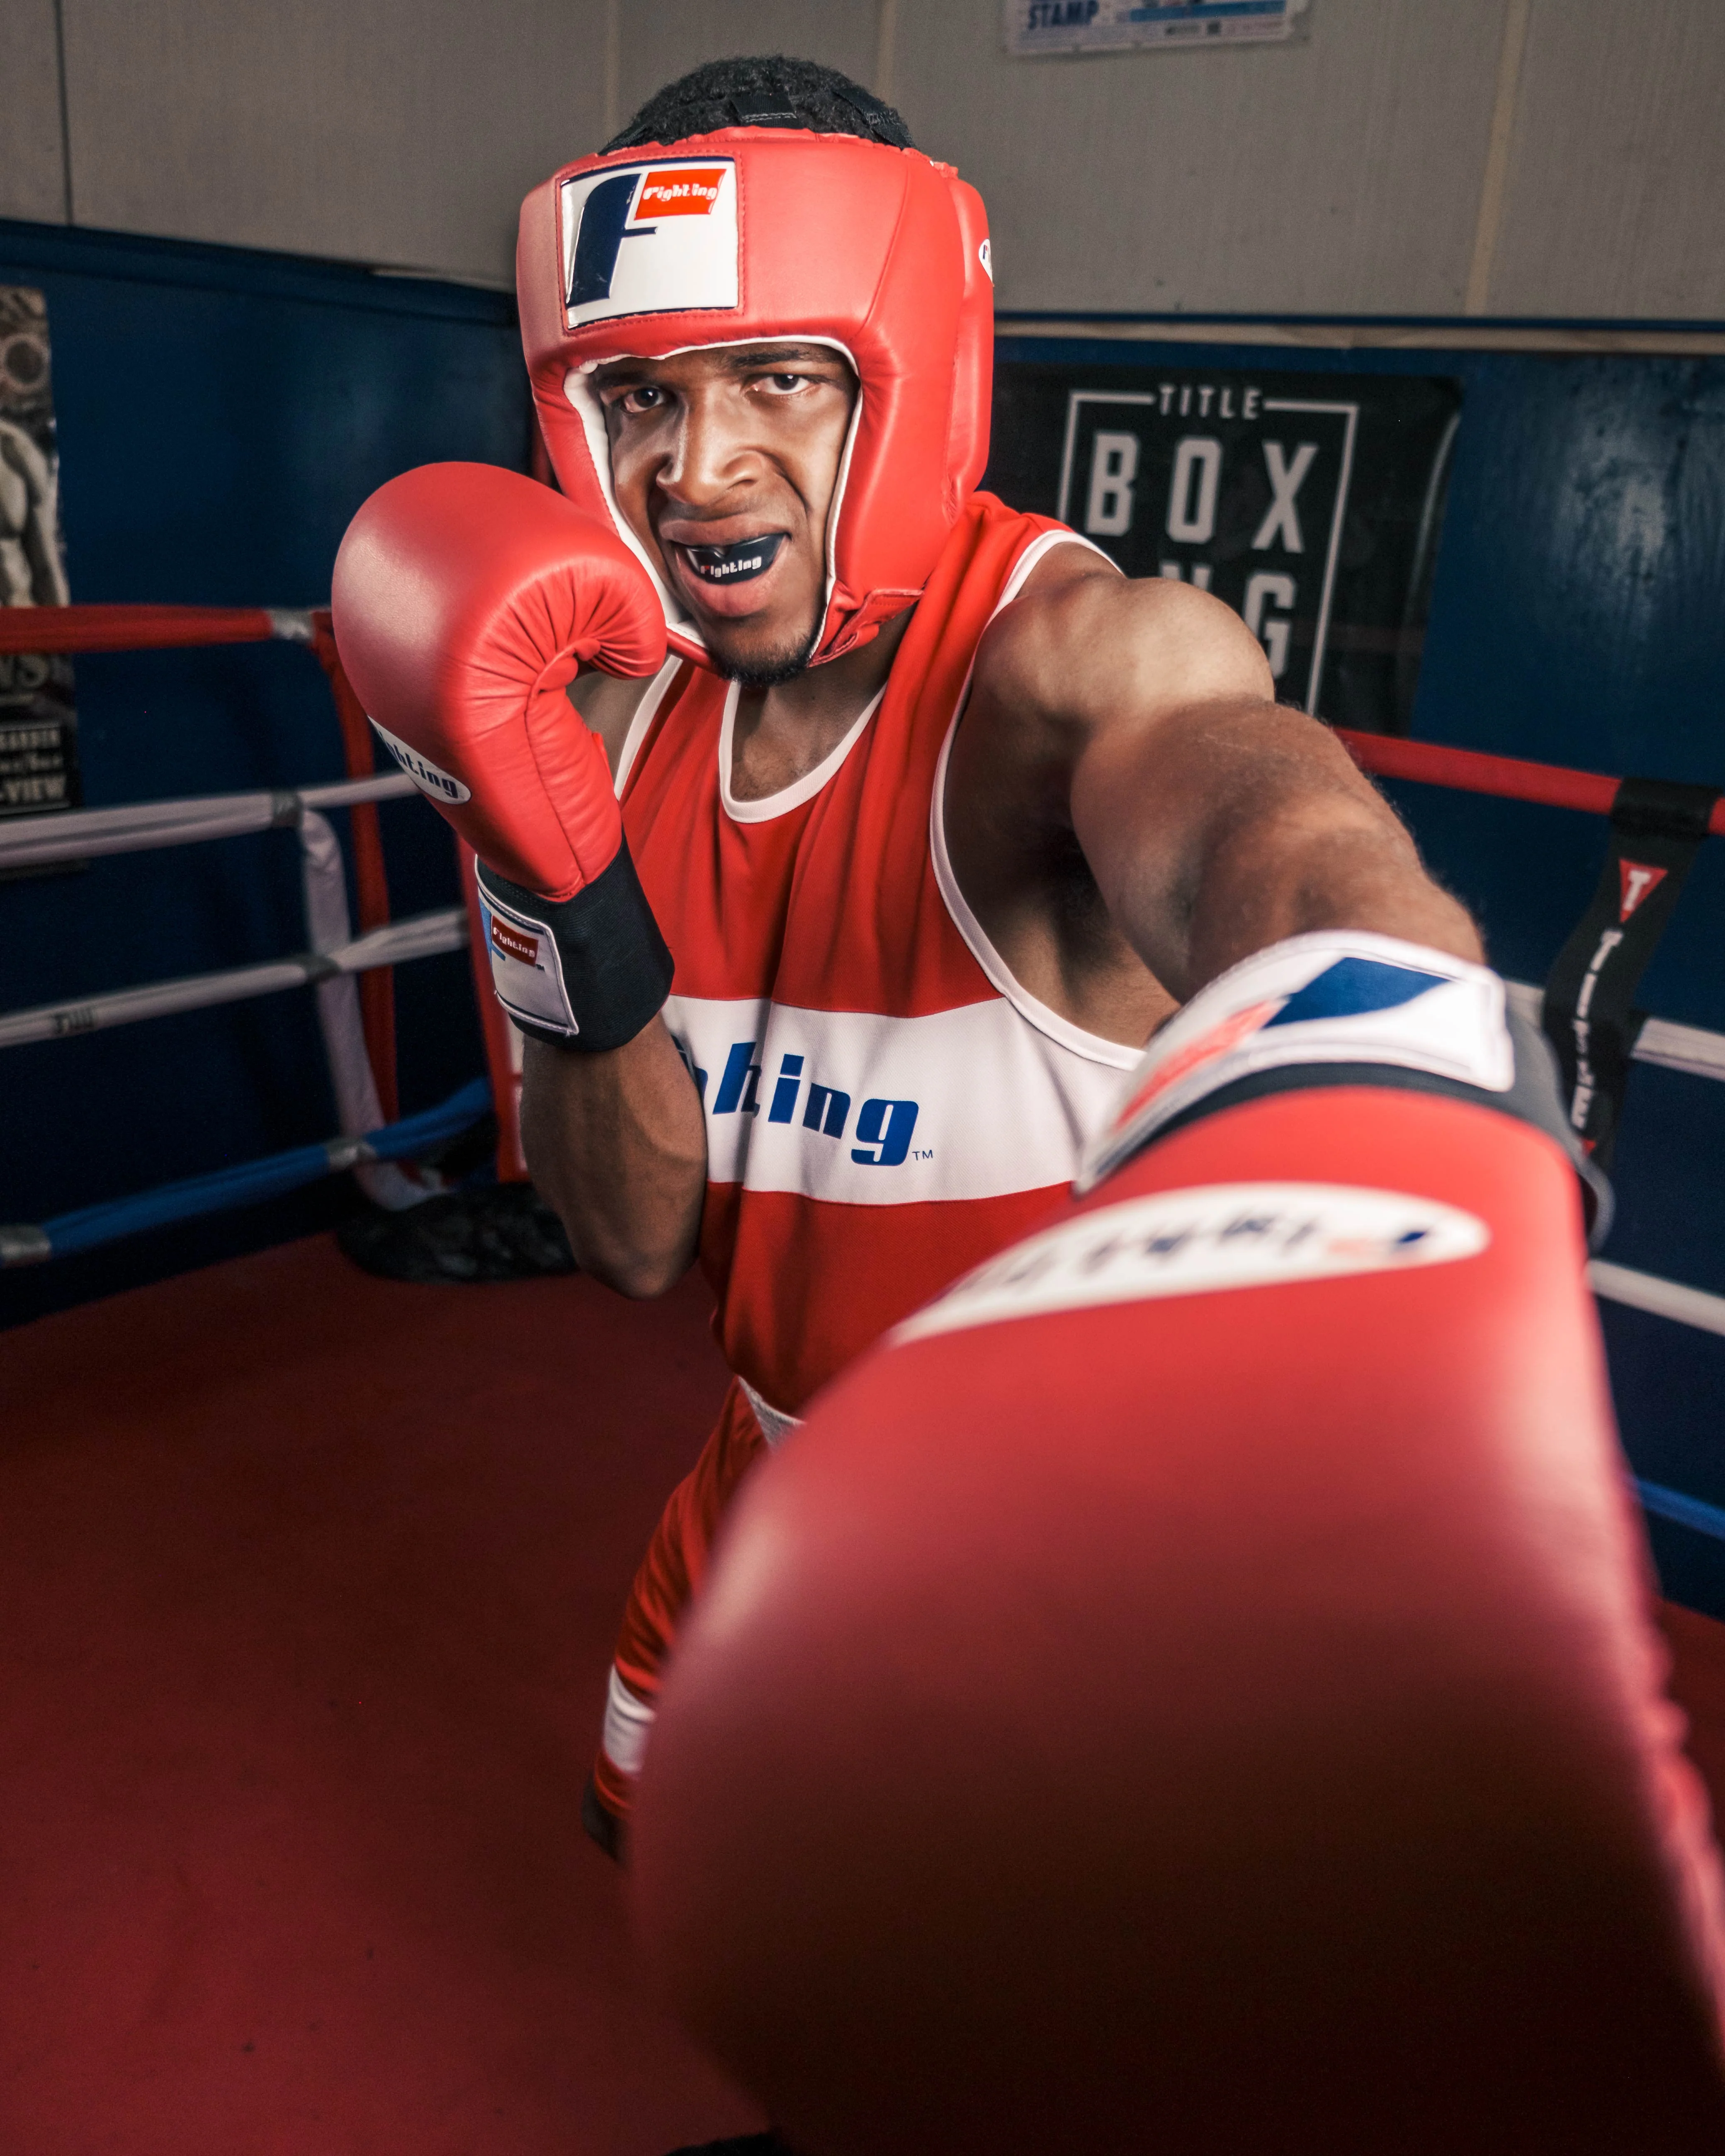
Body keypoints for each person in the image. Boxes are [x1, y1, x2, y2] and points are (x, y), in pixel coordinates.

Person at [334, 55, 1531, 1861]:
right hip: (776, 1465)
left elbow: (1242, 814)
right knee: (716, 1880)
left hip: (1073, 1530)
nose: (698, 466)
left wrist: (1382, 1023)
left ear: (914, 379)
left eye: (781, 381)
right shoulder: (599, 708)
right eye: (640, 393)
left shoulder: (1067, 663)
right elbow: (637, 1242)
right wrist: (545, 882)